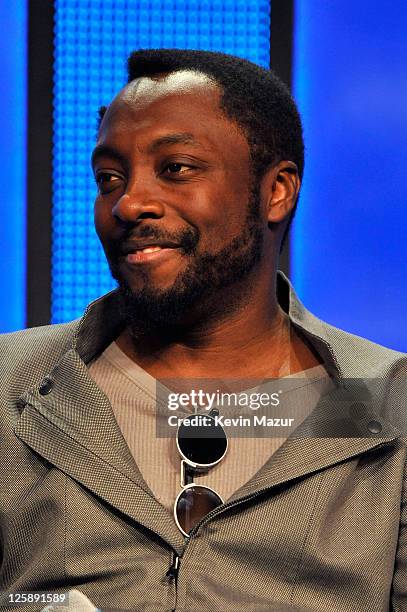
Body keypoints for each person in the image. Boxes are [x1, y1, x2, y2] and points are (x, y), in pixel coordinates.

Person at [1, 49, 406, 612]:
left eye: (176, 169)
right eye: (108, 178)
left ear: (276, 191)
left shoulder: (390, 403)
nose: (129, 203)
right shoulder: (10, 385)